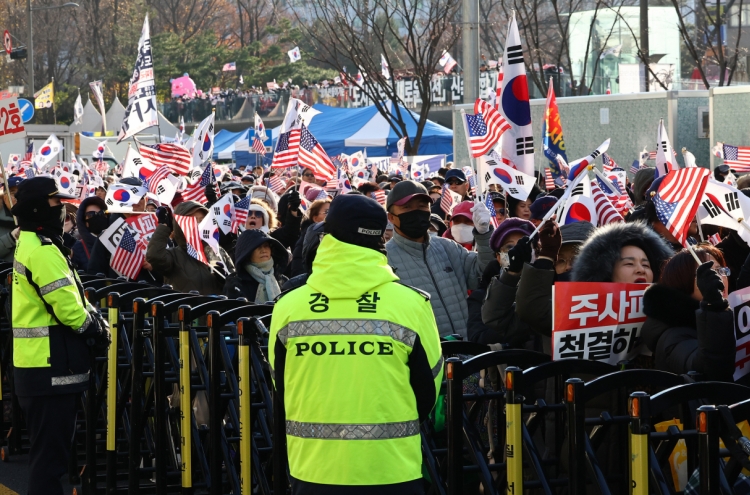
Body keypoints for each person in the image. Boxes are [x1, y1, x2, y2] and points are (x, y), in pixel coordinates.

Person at [269, 193, 442, 494]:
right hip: (392, 468)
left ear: (327, 235)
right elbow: (429, 392)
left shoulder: (288, 306)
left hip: (312, 469)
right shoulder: (412, 304)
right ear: (381, 235)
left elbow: (280, 386)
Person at [10, 177, 110, 495]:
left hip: (41, 368)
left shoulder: (38, 244)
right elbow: (70, 309)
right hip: (49, 369)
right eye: (56, 203)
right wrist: (97, 328)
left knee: (49, 459)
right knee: (49, 464)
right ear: (39, 208)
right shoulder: (41, 250)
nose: (63, 209)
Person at [386, 181, 494, 338]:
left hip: (468, 352)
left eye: (422, 206)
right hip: (424, 357)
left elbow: (483, 273)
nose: (416, 212)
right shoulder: (385, 261)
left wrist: (484, 235)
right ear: (391, 217)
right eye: (407, 207)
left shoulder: (448, 247)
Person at [641, 245, 736, 381]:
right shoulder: (672, 336)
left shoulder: (730, 314)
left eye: (720, 270)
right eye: (709, 272)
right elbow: (713, 371)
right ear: (682, 281)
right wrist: (713, 306)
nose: (720, 278)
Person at [147, 201, 234, 295]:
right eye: (193, 220)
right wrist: (164, 227)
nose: (199, 225)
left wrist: (226, 280)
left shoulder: (218, 252)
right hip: (186, 309)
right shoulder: (174, 255)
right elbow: (154, 256)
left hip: (217, 309)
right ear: (180, 225)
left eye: (202, 220)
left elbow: (236, 286)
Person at [224, 229, 288, 302]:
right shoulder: (235, 284)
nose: (263, 250)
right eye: (258, 247)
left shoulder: (283, 281)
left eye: (266, 246)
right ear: (247, 253)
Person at [71, 196, 108, 271]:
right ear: (84, 221)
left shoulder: (117, 242)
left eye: (101, 213)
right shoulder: (76, 248)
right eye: (91, 214)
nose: (97, 217)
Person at [0, 176, 24, 262]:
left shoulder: (34, 217)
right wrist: (10, 238)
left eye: (21, 192)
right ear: (4, 195)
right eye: (13, 192)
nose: (17, 197)